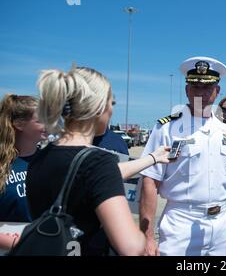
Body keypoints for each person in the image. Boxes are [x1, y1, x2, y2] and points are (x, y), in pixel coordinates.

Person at [26, 66, 170, 256]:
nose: (111, 110)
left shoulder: (41, 156)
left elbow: (93, 176)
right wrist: (147, 236)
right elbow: (131, 247)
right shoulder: (99, 163)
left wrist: (153, 158)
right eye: (111, 103)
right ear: (98, 108)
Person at [139, 56, 226, 256]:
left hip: (222, 225)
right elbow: (150, 182)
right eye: (196, 87)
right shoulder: (166, 128)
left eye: (207, 88)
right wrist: (147, 237)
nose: (201, 93)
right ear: (187, 90)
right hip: (181, 223)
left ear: (217, 92)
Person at [0, 94, 47, 251]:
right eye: (40, 120)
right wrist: (21, 244)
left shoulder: (50, 160)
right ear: (19, 124)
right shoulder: (3, 165)